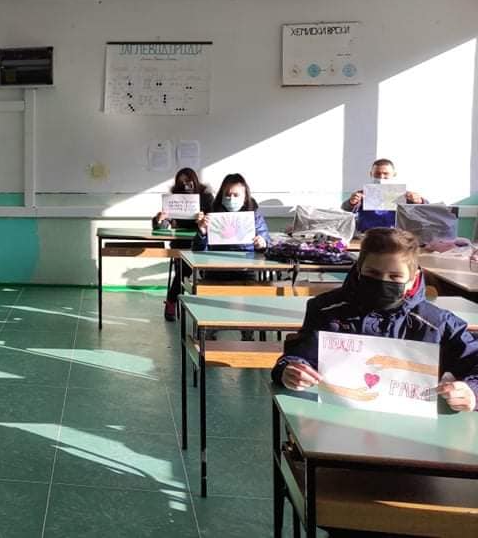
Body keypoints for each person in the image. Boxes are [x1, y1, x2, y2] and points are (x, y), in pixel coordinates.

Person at [273, 228, 477, 537]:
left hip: (415, 449)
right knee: (343, 519)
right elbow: (298, 356)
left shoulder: (438, 324)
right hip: (338, 445)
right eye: (372, 273)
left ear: (413, 277)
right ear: (358, 269)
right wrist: (290, 369)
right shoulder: (326, 310)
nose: (383, 281)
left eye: (395, 277)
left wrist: (471, 391)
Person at [193, 174, 271, 340]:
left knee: (246, 302)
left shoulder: (254, 217)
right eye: (227, 195)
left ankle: (247, 331)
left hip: (245, 270)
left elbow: (266, 242)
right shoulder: (211, 216)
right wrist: (202, 232)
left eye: (236, 195)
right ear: (221, 195)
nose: (231, 199)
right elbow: (197, 251)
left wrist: (262, 243)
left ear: (245, 197)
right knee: (211, 304)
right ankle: (209, 329)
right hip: (215, 270)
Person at [152, 168, 214, 321]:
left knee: (208, 273)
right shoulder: (173, 198)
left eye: (189, 182)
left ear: (195, 181)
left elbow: (216, 220)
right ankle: (172, 301)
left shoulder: (206, 197)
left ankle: (210, 307)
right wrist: (160, 220)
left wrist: (204, 219)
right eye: (182, 183)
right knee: (183, 270)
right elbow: (163, 225)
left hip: (204, 243)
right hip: (182, 244)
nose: (186, 186)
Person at [342, 159, 427, 233]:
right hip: (368, 235)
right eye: (377, 174)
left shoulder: (405, 195)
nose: (381, 177)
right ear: (371, 174)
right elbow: (345, 210)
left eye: (386, 174)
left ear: (394, 174)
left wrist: (420, 201)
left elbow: (427, 212)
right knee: (342, 244)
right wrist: (351, 202)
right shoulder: (362, 194)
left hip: (396, 236)